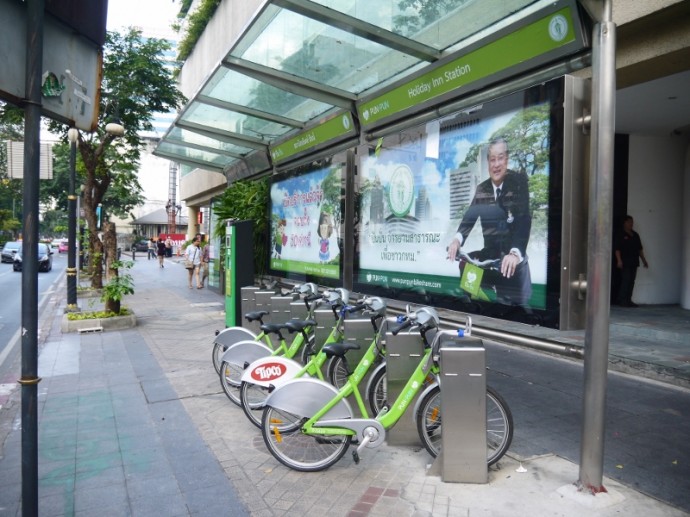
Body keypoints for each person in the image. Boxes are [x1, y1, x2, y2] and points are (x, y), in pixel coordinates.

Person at [447, 137, 532, 306]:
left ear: (506, 160)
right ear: (488, 163)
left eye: (500, 158)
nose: (496, 164)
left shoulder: (518, 183)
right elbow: (469, 219)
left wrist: (515, 253)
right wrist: (457, 240)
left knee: (510, 310)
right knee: (467, 271)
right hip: (491, 257)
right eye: (492, 159)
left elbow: (524, 221)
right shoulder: (482, 189)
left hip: (512, 264)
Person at [614, 215, 649, 307]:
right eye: (629, 222)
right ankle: (622, 300)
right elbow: (617, 249)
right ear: (624, 223)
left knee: (631, 281)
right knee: (626, 280)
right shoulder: (620, 234)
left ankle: (628, 300)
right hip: (625, 261)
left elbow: (640, 249)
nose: (631, 224)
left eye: (632, 222)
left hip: (634, 261)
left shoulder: (635, 235)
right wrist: (619, 260)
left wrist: (644, 260)